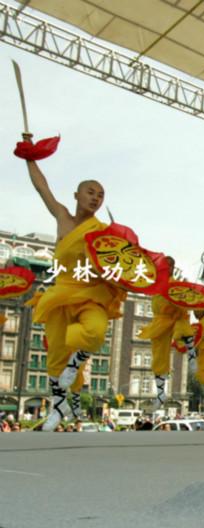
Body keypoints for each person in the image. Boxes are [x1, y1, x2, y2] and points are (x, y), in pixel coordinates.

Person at [20, 133, 127, 432]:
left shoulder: (104, 231)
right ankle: (57, 410)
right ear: (77, 195)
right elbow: (42, 188)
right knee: (54, 355)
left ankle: (75, 362)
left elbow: (119, 262)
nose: (96, 197)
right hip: (60, 292)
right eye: (91, 192)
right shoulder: (63, 218)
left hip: (90, 293)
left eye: (101, 195)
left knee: (94, 332)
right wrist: (30, 156)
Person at [138, 257, 195, 410]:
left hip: (176, 318)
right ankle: (161, 394)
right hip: (160, 321)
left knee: (183, 329)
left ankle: (192, 356)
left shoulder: (175, 284)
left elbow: (184, 303)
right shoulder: (156, 284)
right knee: (158, 359)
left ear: (171, 268)